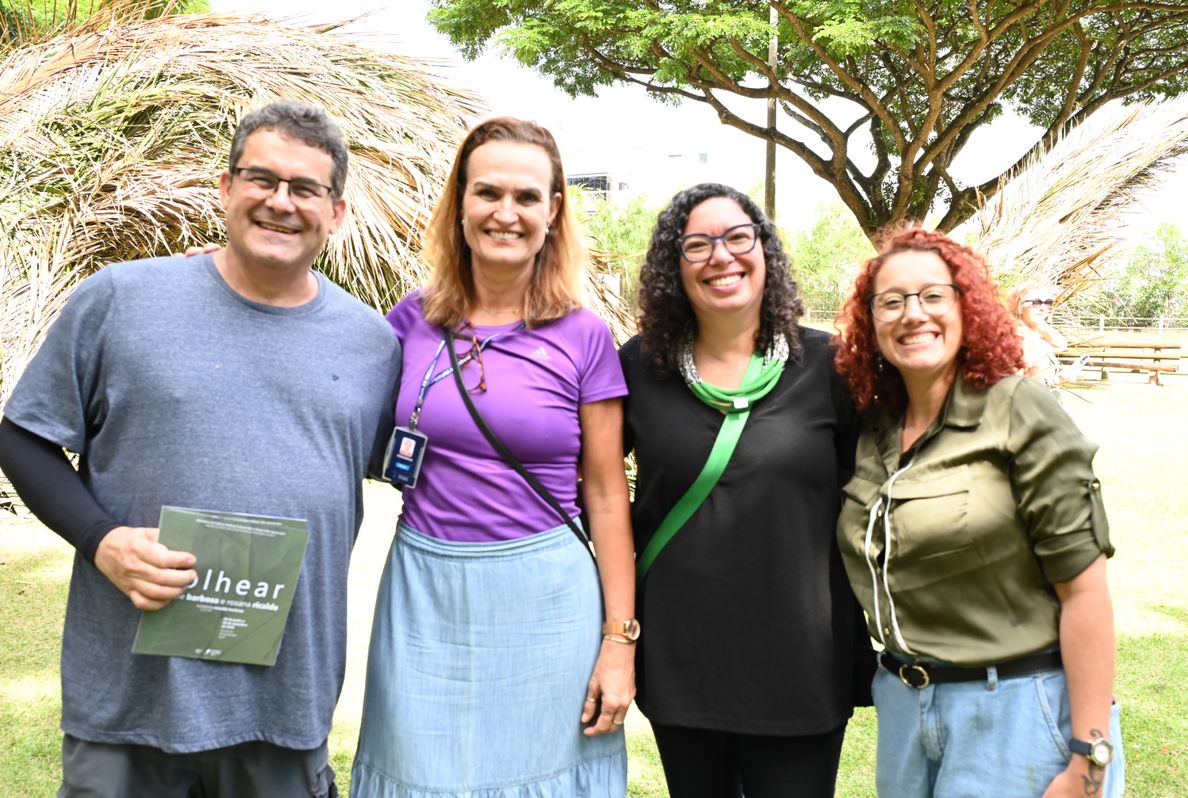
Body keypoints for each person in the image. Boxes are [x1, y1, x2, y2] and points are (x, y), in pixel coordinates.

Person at [0, 101, 401, 796]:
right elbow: (23, 436)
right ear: (225, 189)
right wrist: (102, 541)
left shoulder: (374, 346)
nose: (281, 202)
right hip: (128, 709)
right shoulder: (121, 299)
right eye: (262, 180)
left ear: (336, 213)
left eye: (305, 189)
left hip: (285, 709)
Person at [350, 117, 635, 797]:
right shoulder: (408, 321)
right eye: (488, 193)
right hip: (424, 589)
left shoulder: (583, 336)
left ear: (554, 211)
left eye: (527, 197)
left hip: (549, 594)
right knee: (419, 771)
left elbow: (605, 493)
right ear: (460, 203)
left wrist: (618, 643)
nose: (506, 213)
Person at [833, 227, 1124, 798]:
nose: (912, 314)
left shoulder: (1018, 408)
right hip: (903, 709)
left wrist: (1090, 757)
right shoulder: (874, 431)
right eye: (891, 301)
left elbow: (1085, 591)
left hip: (1016, 708)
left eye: (933, 296)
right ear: (870, 323)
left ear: (968, 308)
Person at [619, 183, 873, 797]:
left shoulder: (830, 365)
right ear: (671, 267)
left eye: (737, 238)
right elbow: (592, 488)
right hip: (683, 655)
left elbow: (874, 484)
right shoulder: (639, 367)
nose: (721, 256)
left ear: (764, 250)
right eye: (697, 244)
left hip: (801, 659)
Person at [1009, 281, 1072, 387]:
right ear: (1019, 305)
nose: (1043, 308)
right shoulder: (1019, 339)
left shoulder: (1033, 335)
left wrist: (1039, 326)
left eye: (1047, 302)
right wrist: (1056, 380)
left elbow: (1061, 344)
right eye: (1036, 303)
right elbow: (1017, 384)